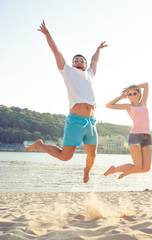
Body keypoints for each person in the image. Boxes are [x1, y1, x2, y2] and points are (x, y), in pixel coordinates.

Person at [26, 21, 107, 183]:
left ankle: (87, 171)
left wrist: (98, 49)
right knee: (65, 156)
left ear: (84, 65)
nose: (78, 61)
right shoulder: (68, 72)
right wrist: (47, 34)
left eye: (80, 60)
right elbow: (56, 51)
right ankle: (40, 145)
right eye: (75, 60)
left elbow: (95, 61)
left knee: (93, 155)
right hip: (76, 121)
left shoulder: (89, 74)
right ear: (72, 64)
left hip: (91, 122)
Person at [104, 83, 152, 179]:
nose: (132, 96)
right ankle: (114, 169)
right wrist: (122, 96)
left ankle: (125, 172)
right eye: (129, 94)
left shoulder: (144, 102)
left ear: (139, 93)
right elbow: (108, 105)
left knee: (146, 168)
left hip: (147, 136)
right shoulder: (128, 106)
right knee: (138, 167)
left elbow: (146, 85)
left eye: (134, 93)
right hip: (135, 136)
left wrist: (132, 87)